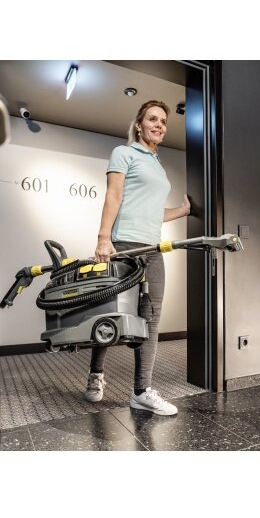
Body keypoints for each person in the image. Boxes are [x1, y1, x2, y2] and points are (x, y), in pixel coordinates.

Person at [84, 100, 190, 416]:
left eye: (163, 121)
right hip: (125, 245)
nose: (159, 125)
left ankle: (141, 391)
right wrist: (103, 238)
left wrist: (182, 210)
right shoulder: (124, 153)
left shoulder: (158, 164)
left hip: (153, 248)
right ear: (139, 124)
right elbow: (114, 195)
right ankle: (95, 374)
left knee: (151, 318)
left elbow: (153, 212)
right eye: (152, 119)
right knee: (113, 314)